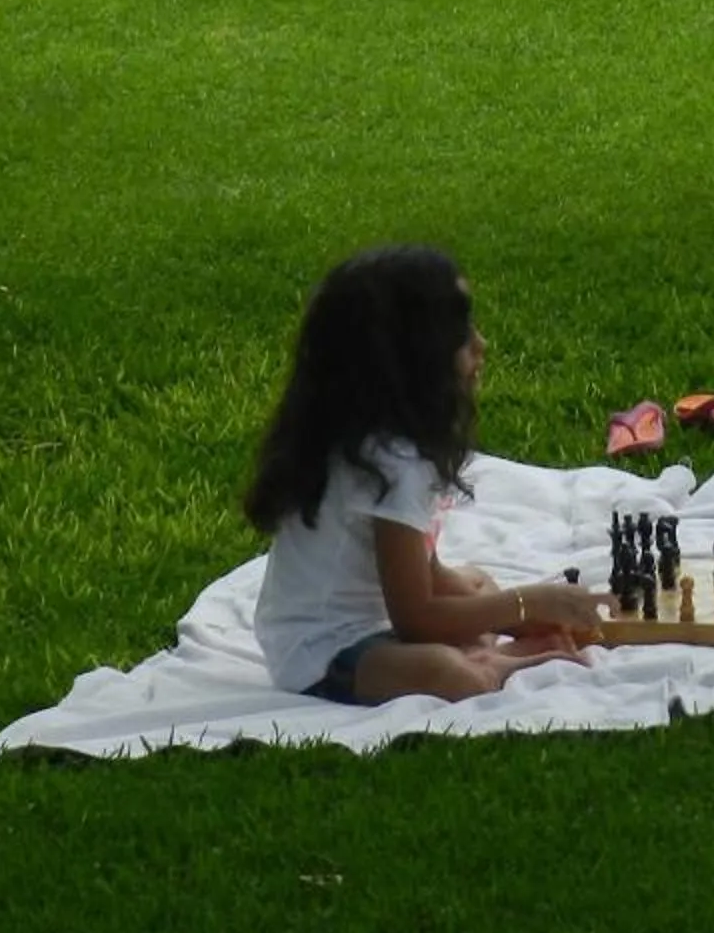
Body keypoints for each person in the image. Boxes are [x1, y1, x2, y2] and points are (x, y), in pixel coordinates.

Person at [247, 246, 604, 704]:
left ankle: (493, 653)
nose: (481, 345)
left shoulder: (384, 443)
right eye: (460, 334)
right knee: (444, 671)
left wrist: (512, 616)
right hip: (322, 651)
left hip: (376, 623)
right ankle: (498, 667)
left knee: (477, 582)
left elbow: (430, 573)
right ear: (414, 359)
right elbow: (414, 617)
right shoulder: (394, 465)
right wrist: (525, 604)